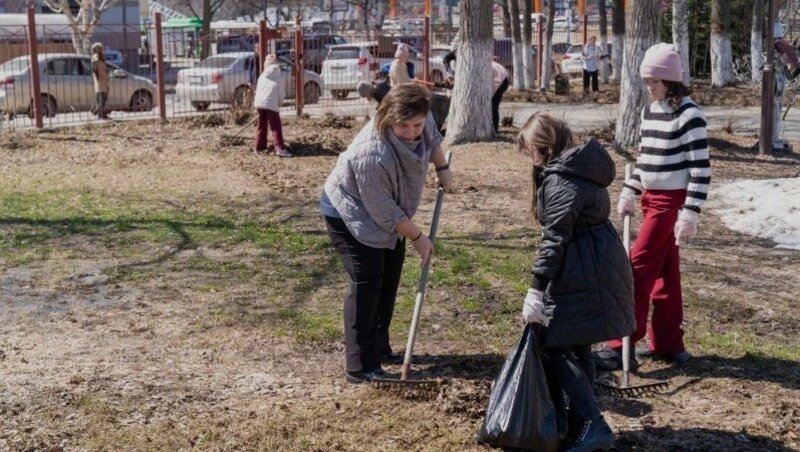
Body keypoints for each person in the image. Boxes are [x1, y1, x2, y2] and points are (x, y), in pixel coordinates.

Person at [321, 83, 454, 384]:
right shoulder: (371, 152)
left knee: (390, 275)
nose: (411, 132)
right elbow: (383, 211)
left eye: (416, 124)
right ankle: (360, 365)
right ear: (387, 118)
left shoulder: (423, 118)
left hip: (387, 210)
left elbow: (431, 138)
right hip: (350, 211)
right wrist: (419, 237)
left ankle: (379, 347)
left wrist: (442, 166)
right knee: (367, 281)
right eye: (403, 126)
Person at [518, 112, 634, 451]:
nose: (529, 159)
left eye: (529, 151)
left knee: (554, 344)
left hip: (586, 268)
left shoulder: (562, 180)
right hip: (592, 262)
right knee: (577, 341)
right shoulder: (575, 168)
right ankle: (579, 420)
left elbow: (554, 239)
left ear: (542, 147)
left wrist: (535, 289)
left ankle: (593, 422)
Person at [594, 43, 711, 371]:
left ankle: (622, 345)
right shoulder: (650, 112)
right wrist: (631, 189)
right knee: (665, 273)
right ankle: (669, 343)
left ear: (671, 81)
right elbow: (645, 162)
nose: (649, 88)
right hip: (651, 201)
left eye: (654, 82)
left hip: (671, 205)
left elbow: (701, 170)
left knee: (636, 269)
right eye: (646, 81)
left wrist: (690, 212)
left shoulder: (690, 115)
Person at [252, 54, 291, 158]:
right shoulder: (278, 75)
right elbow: (281, 92)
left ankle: (259, 147)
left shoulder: (262, 75)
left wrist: (257, 103)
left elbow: (258, 90)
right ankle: (279, 148)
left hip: (260, 103)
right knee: (275, 126)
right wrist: (279, 103)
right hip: (271, 103)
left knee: (262, 125)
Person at [90, 42, 110, 120]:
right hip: (101, 81)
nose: (103, 50)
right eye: (102, 48)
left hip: (100, 81)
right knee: (101, 98)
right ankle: (100, 114)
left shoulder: (96, 58)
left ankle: (101, 113)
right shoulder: (97, 59)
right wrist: (107, 77)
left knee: (101, 98)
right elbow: (101, 71)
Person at [491, 58, 509, 133]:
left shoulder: (480, 64)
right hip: (504, 79)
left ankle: (495, 128)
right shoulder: (485, 61)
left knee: (493, 105)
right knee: (493, 105)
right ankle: (494, 126)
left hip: (501, 81)